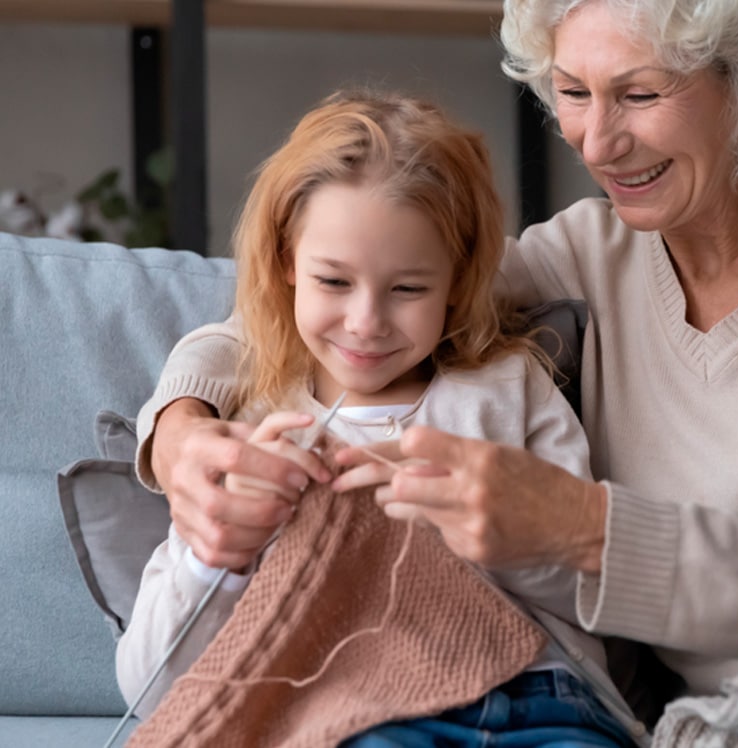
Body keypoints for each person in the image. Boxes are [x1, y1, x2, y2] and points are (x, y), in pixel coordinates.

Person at [135, 1, 738, 745]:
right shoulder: (588, 251)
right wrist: (181, 429)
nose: (596, 142)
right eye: (573, 93)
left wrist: (584, 530)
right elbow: (329, 306)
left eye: (638, 94)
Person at [117, 88, 643, 748]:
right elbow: (148, 688)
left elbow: (588, 591)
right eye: (334, 282)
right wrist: (219, 557)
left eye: (408, 289)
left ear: (458, 279)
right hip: (355, 708)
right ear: (286, 263)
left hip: (540, 696)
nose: (366, 322)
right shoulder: (251, 429)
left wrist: (467, 518)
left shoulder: (508, 389)